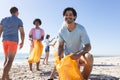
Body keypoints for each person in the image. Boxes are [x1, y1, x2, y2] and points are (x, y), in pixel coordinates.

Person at [49, 7, 93, 80]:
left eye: (70, 15)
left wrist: (78, 55)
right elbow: (60, 46)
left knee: (89, 57)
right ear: (64, 17)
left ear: (74, 17)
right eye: (66, 15)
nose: (68, 16)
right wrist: (60, 55)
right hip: (69, 56)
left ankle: (84, 78)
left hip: (80, 54)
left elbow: (88, 46)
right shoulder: (61, 31)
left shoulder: (81, 29)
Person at [0, 7, 25, 80]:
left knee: (6, 59)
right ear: (16, 12)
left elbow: (0, 30)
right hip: (13, 41)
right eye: (18, 12)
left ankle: (7, 78)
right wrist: (22, 42)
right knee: (10, 60)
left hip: (5, 41)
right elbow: (22, 33)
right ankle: (2, 78)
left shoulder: (4, 19)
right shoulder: (18, 20)